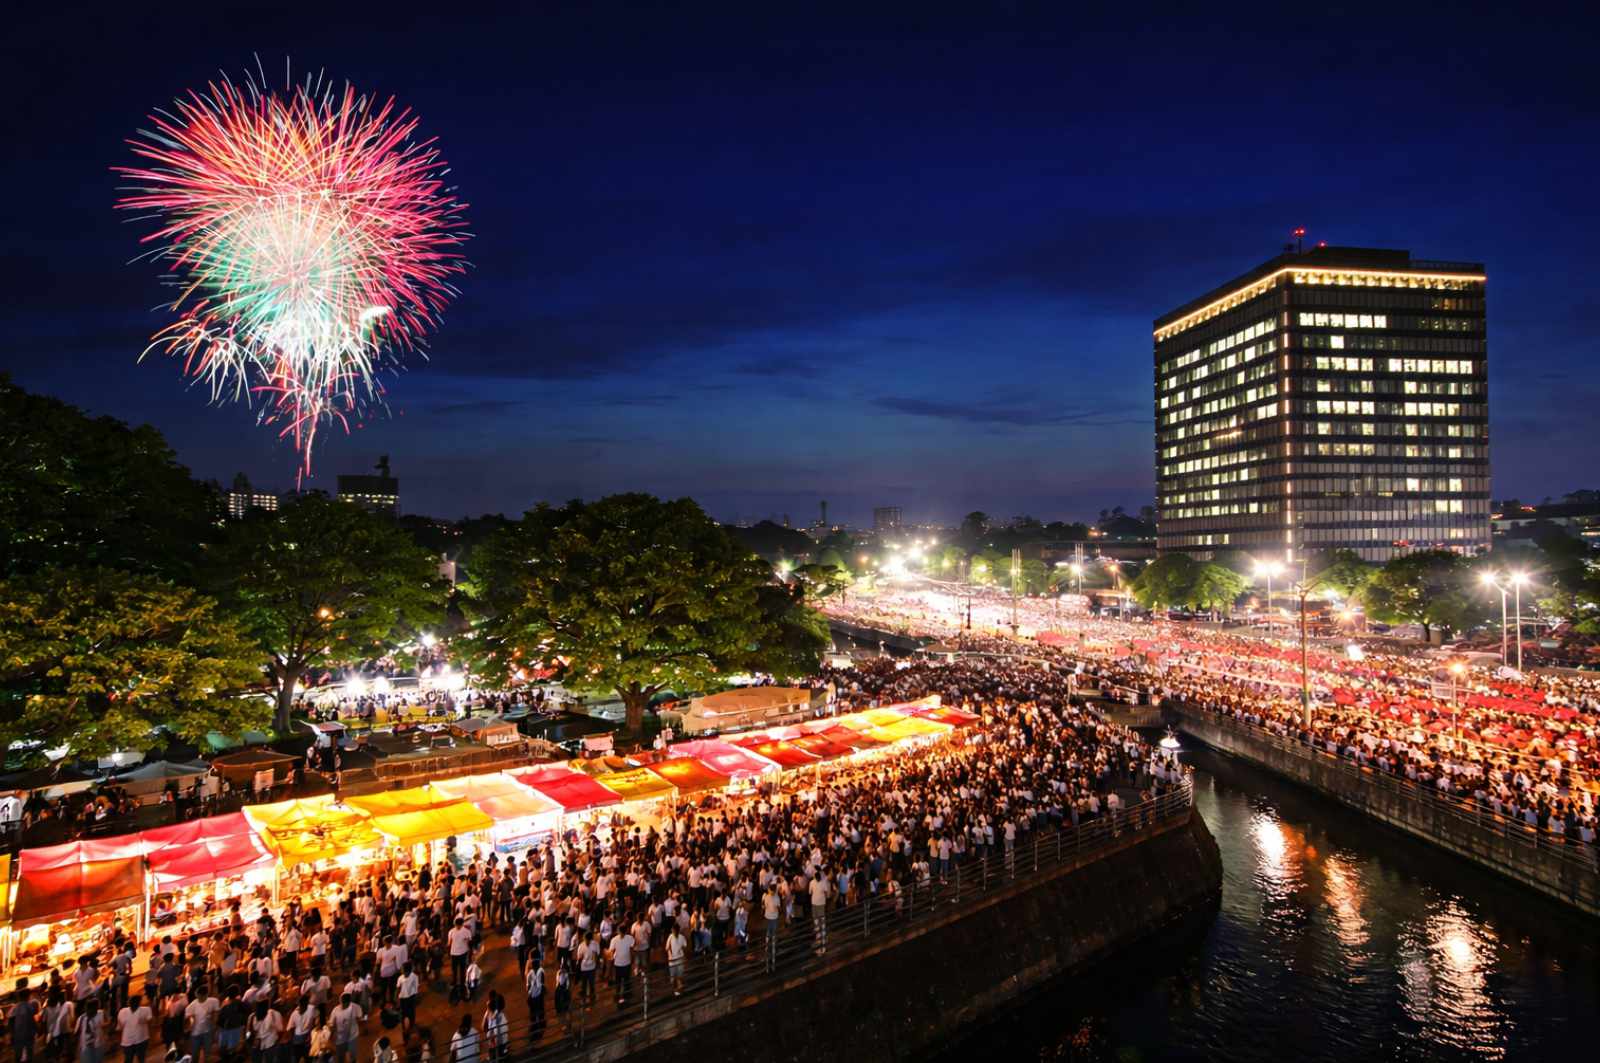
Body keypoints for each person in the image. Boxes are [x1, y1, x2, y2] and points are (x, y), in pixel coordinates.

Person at [183, 989, 219, 1063]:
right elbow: (186, 1020)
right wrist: (189, 1027)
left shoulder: (213, 1001)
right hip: (195, 1034)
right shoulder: (191, 1006)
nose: (201, 998)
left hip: (208, 1032)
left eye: (203, 996)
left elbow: (216, 1012)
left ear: (206, 995)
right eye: (199, 996)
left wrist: (214, 1025)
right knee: (195, 1055)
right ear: (196, 995)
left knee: (207, 1054)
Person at [116, 994, 153, 1063]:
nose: (132, 1003)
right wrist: (120, 1041)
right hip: (127, 1042)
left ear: (139, 1002)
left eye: (135, 1002)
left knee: (141, 1059)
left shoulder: (146, 1010)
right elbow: (119, 1028)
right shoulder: (122, 1012)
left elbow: (150, 1021)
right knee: (128, 1059)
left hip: (141, 1040)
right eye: (131, 1002)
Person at [327, 995, 363, 1063]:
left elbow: (360, 1018)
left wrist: (361, 1023)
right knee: (340, 1057)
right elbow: (331, 1023)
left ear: (349, 1002)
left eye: (344, 1003)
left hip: (352, 1036)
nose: (342, 1004)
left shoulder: (356, 1007)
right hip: (340, 1038)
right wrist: (331, 1033)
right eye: (341, 1002)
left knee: (352, 1055)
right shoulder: (335, 1010)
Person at [11, 982, 39, 1063]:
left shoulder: (15, 1008)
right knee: (28, 1054)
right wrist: (37, 1029)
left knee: (19, 1054)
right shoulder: (29, 1007)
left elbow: (11, 1020)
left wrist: (12, 1034)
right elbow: (33, 1021)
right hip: (27, 1035)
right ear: (28, 996)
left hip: (18, 1036)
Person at [77, 999, 107, 1063]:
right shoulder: (82, 1018)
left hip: (98, 1045)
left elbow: (105, 1025)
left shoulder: (100, 1014)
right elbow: (78, 1032)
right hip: (86, 1047)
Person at [480, 995, 508, 1063]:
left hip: (497, 1046)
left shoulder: (496, 1020)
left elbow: (484, 1028)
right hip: (500, 1045)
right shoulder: (500, 1016)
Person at [394, 963, 419, 1038]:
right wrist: (396, 998)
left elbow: (416, 987)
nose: (402, 971)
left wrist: (416, 996)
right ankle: (404, 1028)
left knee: (411, 1012)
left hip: (411, 997)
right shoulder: (400, 978)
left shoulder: (414, 977)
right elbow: (398, 988)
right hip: (403, 998)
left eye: (403, 970)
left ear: (408, 971)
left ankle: (411, 1025)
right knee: (404, 1013)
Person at [666, 925, 687, 995]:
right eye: (673, 930)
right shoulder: (670, 937)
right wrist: (670, 955)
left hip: (680, 959)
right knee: (673, 977)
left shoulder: (682, 937)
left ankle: (678, 990)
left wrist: (683, 955)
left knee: (679, 975)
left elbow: (685, 946)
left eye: (675, 930)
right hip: (672, 961)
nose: (673, 931)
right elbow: (667, 948)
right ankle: (674, 990)